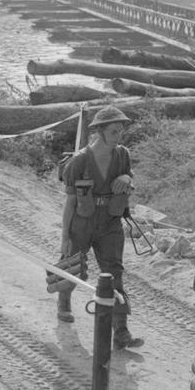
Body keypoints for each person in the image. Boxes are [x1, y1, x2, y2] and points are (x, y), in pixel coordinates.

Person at [58, 105, 143, 350]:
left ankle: (121, 331)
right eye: (114, 132)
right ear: (100, 132)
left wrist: (128, 179)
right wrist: (65, 235)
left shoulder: (122, 155)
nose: (119, 136)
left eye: (120, 131)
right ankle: (63, 302)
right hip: (83, 221)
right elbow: (71, 202)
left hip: (110, 222)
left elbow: (129, 177)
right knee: (72, 264)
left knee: (114, 273)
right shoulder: (79, 161)